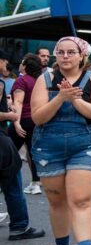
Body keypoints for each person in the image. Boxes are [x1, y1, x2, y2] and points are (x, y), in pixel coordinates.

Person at [31, 37, 91, 245]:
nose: (65, 56)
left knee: (81, 199)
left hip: (85, 144)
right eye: (61, 52)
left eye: (71, 52)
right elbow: (38, 117)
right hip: (48, 145)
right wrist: (60, 98)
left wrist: (75, 99)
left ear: (82, 56)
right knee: (57, 200)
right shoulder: (44, 79)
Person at [10, 54, 44, 195]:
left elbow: (18, 102)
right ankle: (35, 184)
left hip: (23, 119)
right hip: (37, 120)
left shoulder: (21, 81)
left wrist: (16, 123)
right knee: (32, 152)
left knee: (8, 151)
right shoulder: (39, 81)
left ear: (24, 66)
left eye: (22, 62)